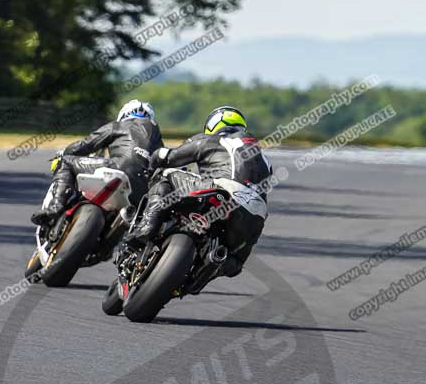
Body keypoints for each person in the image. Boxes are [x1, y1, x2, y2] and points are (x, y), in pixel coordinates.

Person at [123, 105, 272, 278]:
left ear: (213, 125)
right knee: (233, 263)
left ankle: (147, 225)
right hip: (256, 214)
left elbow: (168, 156)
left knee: (166, 174)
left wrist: (152, 162)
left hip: (222, 190)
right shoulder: (263, 157)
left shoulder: (212, 139)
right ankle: (204, 271)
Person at [30, 99, 163, 227]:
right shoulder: (156, 135)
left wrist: (63, 152)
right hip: (143, 189)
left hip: (117, 167)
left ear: (124, 114)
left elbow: (86, 145)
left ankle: (55, 207)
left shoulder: (119, 125)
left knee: (66, 162)